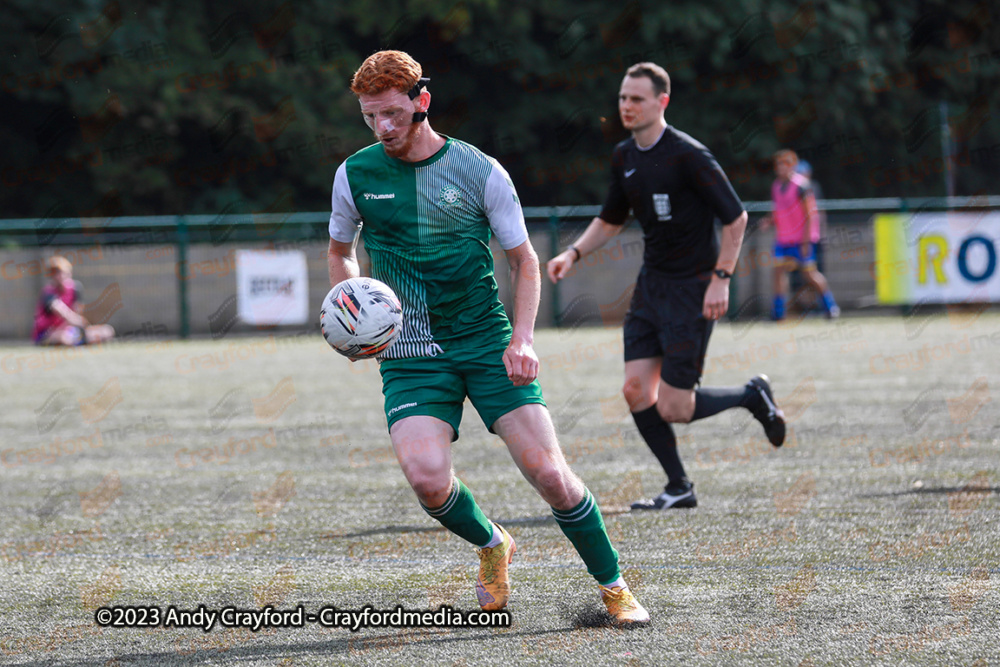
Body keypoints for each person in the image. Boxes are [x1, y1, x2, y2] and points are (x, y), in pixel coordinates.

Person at [327, 50, 649, 625]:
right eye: (370, 116)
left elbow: (525, 262)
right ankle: (493, 543)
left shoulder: (480, 171)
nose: (382, 128)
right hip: (409, 353)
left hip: (486, 342)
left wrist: (522, 339)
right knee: (427, 480)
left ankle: (615, 586)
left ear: (422, 102)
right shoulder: (354, 174)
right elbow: (339, 252)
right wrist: (351, 307)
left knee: (551, 475)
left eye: (393, 114)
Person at [547, 62, 786, 510]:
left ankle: (752, 396)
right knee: (636, 391)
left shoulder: (689, 155)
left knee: (676, 407)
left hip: (694, 289)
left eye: (637, 99)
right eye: (622, 98)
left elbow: (737, 218)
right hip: (651, 287)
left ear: (662, 102)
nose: (627, 106)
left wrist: (721, 279)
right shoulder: (624, 156)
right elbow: (611, 219)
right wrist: (572, 253)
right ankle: (679, 487)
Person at [767, 150, 839, 320]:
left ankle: (830, 307)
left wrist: (806, 242)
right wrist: (768, 221)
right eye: (779, 165)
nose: (781, 168)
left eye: (785, 164)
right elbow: (778, 211)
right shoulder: (776, 186)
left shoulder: (802, 186)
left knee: (809, 275)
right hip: (783, 239)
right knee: (778, 272)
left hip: (801, 240)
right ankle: (778, 313)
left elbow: (810, 215)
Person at [32, 256, 114, 345]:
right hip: (47, 333)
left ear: (69, 273)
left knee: (107, 331)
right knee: (64, 338)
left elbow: (77, 312)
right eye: (56, 273)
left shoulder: (75, 289)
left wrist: (84, 328)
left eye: (62, 272)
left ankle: (82, 339)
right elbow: (65, 314)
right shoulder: (48, 293)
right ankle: (83, 340)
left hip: (68, 330)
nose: (60, 276)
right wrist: (82, 325)